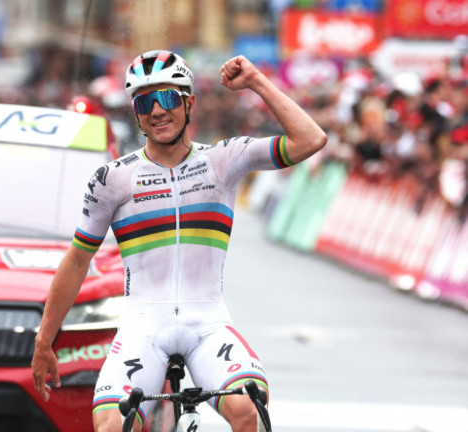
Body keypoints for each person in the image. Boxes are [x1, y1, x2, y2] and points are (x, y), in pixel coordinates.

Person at [31, 50, 327, 432]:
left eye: (168, 98)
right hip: (143, 327)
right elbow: (76, 262)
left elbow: (311, 139)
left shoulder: (223, 160)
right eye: (144, 101)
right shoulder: (113, 179)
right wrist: (44, 340)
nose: (157, 111)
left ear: (189, 103)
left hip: (207, 323)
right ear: (135, 112)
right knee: (110, 426)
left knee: (249, 409)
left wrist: (255, 82)